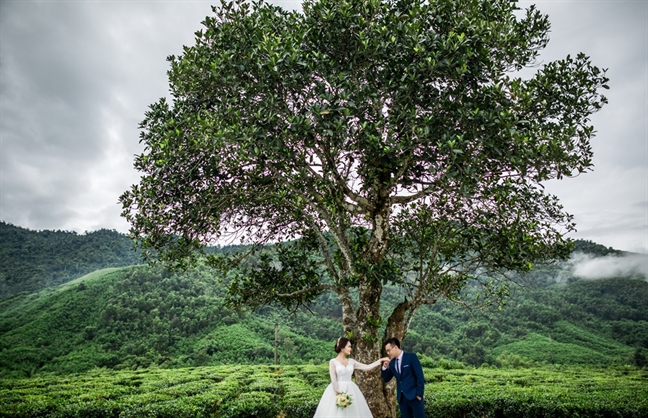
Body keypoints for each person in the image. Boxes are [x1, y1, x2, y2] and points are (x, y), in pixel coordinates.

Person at [313, 337, 389, 418]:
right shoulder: (333, 362)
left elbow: (367, 367)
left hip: (351, 389)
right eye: (349, 346)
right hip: (337, 390)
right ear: (342, 347)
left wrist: (380, 360)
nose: (351, 349)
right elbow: (333, 379)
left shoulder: (352, 361)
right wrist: (338, 394)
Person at [381, 337, 426, 418]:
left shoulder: (411, 357)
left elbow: (420, 376)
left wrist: (419, 394)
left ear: (395, 347)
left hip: (415, 396)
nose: (388, 353)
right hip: (402, 399)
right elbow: (386, 378)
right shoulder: (392, 363)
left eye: (388, 350)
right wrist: (384, 368)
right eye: (386, 351)